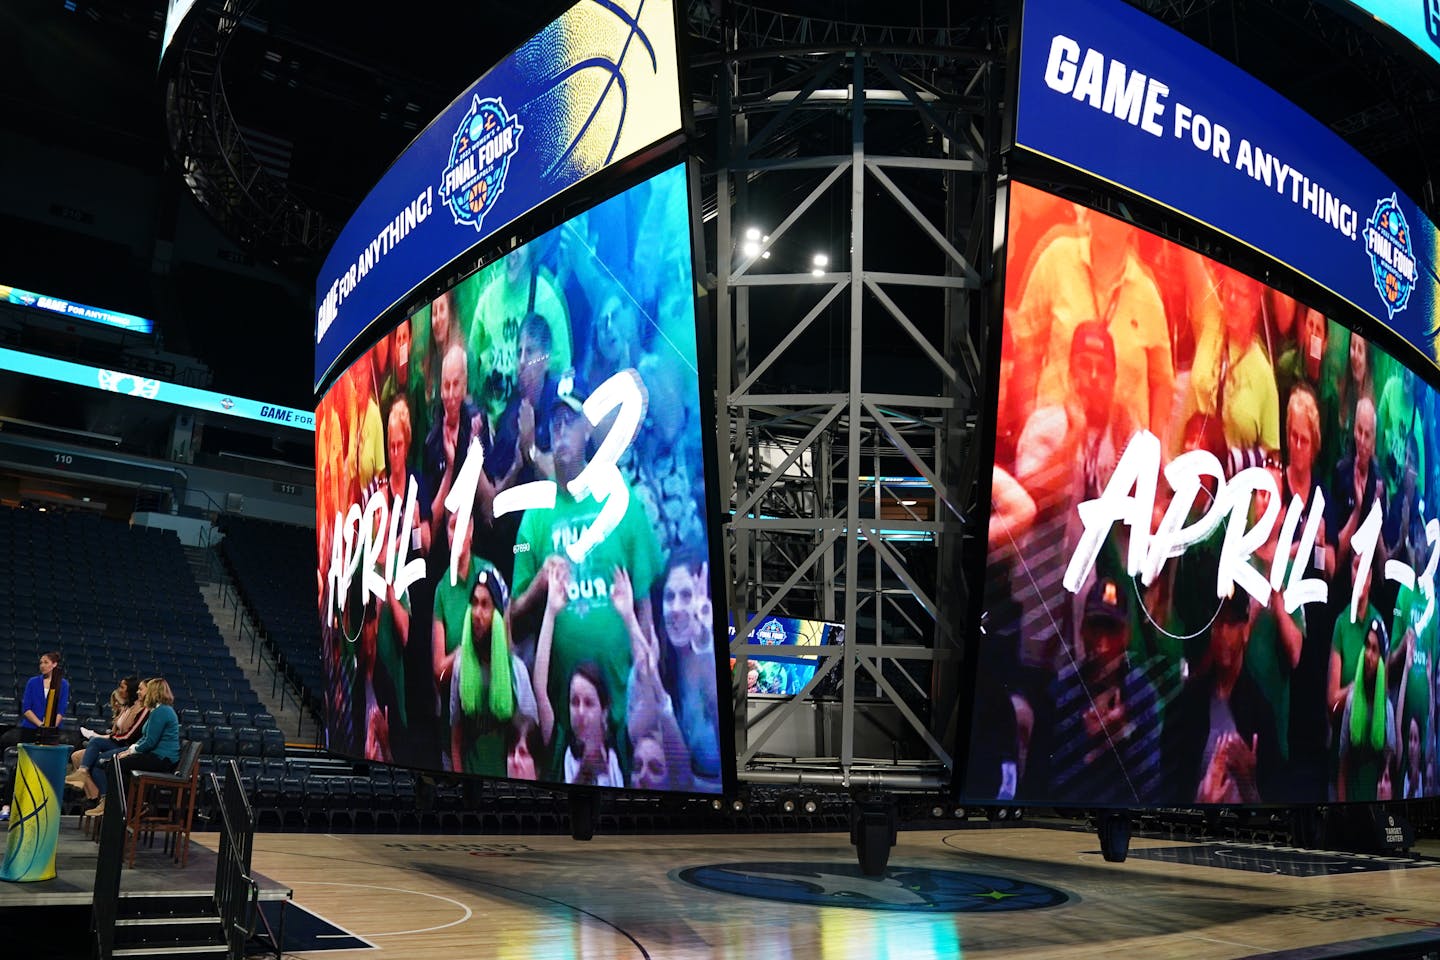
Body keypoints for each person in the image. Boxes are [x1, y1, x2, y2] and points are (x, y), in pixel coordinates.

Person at [509, 373, 663, 763]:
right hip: (564, 720)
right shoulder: (534, 519)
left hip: (625, 710)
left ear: (587, 435)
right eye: (554, 425)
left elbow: (645, 607)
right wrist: (540, 583)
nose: (560, 432)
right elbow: (512, 616)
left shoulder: (622, 502)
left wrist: (649, 682)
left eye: (569, 423)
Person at [449, 562, 537, 775]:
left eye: (485, 605)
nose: (477, 613)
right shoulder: (461, 667)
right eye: (474, 603)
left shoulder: (516, 672)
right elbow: (456, 740)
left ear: (498, 615)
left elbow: (532, 741)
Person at [88, 678, 179, 819]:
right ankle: (128, 806)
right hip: (155, 755)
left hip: (162, 758)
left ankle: (125, 808)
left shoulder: (162, 711)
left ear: (153, 692)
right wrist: (129, 751)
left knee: (116, 764)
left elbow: (150, 742)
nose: (141, 692)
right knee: (116, 762)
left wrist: (130, 752)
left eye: (145, 689)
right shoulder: (157, 710)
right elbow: (145, 738)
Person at [0, 651, 70, 821]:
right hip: (31, 729)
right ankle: (7, 805)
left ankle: (41, 808)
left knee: (44, 769)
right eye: (41, 663)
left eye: (45, 662)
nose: (42, 666)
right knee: (21, 767)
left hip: (52, 732)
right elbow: (27, 708)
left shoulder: (63, 684)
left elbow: (61, 710)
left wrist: (50, 726)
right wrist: (41, 724)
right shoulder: (33, 682)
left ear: (54, 664)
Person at [1337, 617, 1397, 802]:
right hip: (1353, 798)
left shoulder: (1387, 709)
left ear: (1381, 660)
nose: (1368, 655)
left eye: (1375, 649)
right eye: (1367, 646)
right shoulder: (1352, 701)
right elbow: (1343, 767)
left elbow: (1390, 768)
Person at [67, 677, 147, 803]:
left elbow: (128, 736)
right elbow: (115, 732)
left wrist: (107, 736)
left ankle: (102, 799)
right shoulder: (127, 706)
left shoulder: (141, 708)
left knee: (94, 759)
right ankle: (93, 794)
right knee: (77, 755)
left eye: (122, 687)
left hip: (127, 746)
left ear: (129, 690)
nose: (119, 690)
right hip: (117, 742)